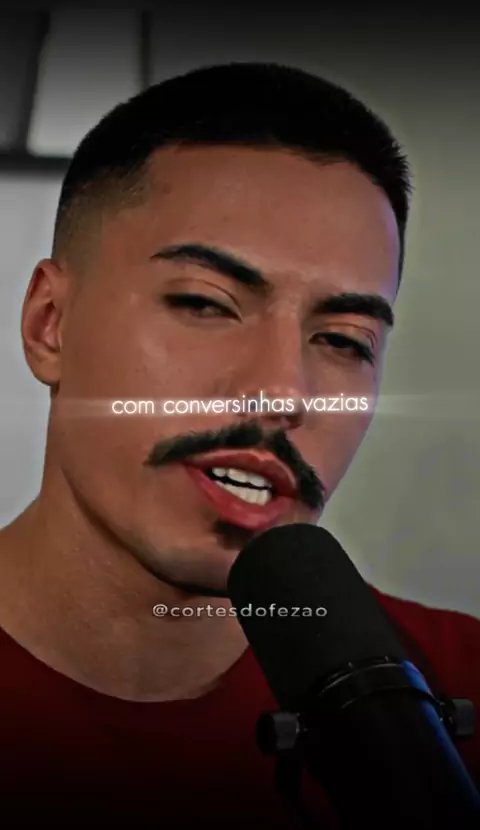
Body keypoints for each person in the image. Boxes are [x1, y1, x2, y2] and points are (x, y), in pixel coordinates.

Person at [0, 61, 478, 827]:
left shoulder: (458, 681)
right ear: (49, 325)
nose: (283, 392)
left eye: (344, 341)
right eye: (205, 304)